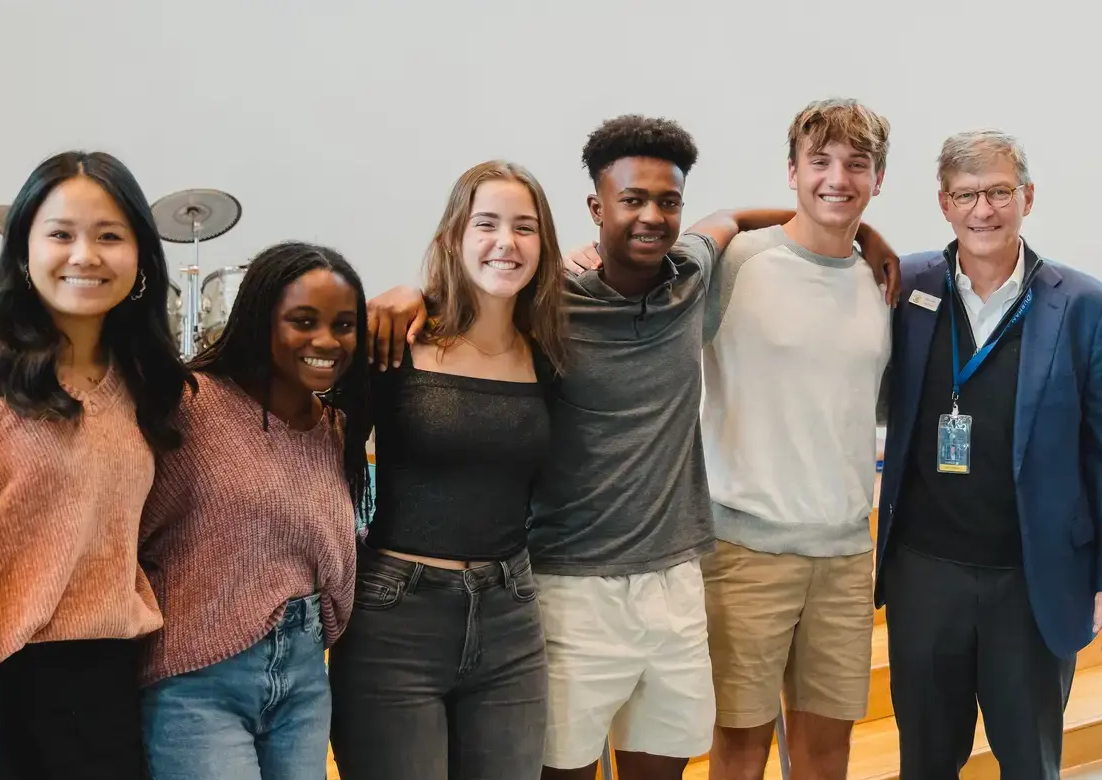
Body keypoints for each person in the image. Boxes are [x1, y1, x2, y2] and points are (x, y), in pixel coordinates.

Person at [369, 115, 898, 780]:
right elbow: (477, 291)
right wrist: (414, 292)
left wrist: (864, 232)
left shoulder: (691, 275)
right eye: (631, 201)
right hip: (569, 586)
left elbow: (726, 218)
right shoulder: (548, 300)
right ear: (596, 208)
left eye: (667, 201)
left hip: (675, 584)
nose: (651, 216)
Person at [876, 130, 1102, 778]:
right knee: (926, 762)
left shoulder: (1085, 305)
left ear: (1027, 196)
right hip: (925, 576)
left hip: (1031, 580)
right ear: (944, 203)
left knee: (1029, 762)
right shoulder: (905, 286)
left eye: (999, 192)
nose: (983, 210)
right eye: (966, 195)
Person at [0, 151, 191, 779]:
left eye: (109, 236)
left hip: (113, 692)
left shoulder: (146, 384)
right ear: (23, 250)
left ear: (142, 259)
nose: (84, 256)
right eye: (61, 234)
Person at [328, 160, 568, 780]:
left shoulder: (546, 356)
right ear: (453, 237)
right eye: (486, 224)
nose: (505, 243)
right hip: (397, 617)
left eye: (525, 227)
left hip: (510, 615)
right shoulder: (395, 341)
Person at [694, 98, 894, 780]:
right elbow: (664, 265)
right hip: (746, 551)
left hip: (842, 555)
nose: (838, 178)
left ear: (877, 180)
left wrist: (875, 242)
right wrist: (731, 214)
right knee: (741, 749)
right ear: (791, 171)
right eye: (820, 162)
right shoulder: (740, 260)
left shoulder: (880, 280)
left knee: (826, 755)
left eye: (856, 165)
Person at [137, 242, 372, 780]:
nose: (326, 341)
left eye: (344, 324)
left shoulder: (336, 431)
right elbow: (129, 531)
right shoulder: (190, 406)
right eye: (303, 321)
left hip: (305, 678)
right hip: (198, 679)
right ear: (261, 320)